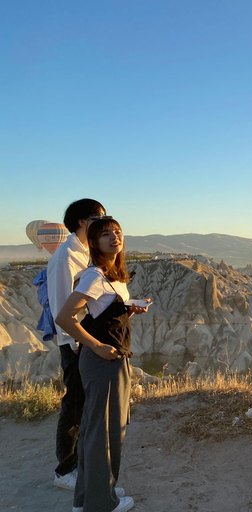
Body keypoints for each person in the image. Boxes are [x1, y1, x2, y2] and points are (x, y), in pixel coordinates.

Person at [56, 218, 150, 512]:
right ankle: (101, 503)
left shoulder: (113, 275)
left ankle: (93, 494)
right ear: (94, 243)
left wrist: (129, 310)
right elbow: (64, 317)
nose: (114, 237)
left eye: (118, 232)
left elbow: (104, 318)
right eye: (105, 234)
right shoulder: (95, 275)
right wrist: (95, 345)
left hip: (113, 357)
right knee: (102, 431)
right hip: (101, 361)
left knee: (102, 428)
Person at [47, 199, 107, 491]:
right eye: (99, 216)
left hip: (87, 338)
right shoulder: (65, 257)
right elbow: (61, 306)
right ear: (83, 221)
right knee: (74, 404)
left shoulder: (84, 252)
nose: (105, 221)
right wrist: (73, 341)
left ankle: (81, 464)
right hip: (75, 341)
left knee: (85, 404)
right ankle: (64, 470)